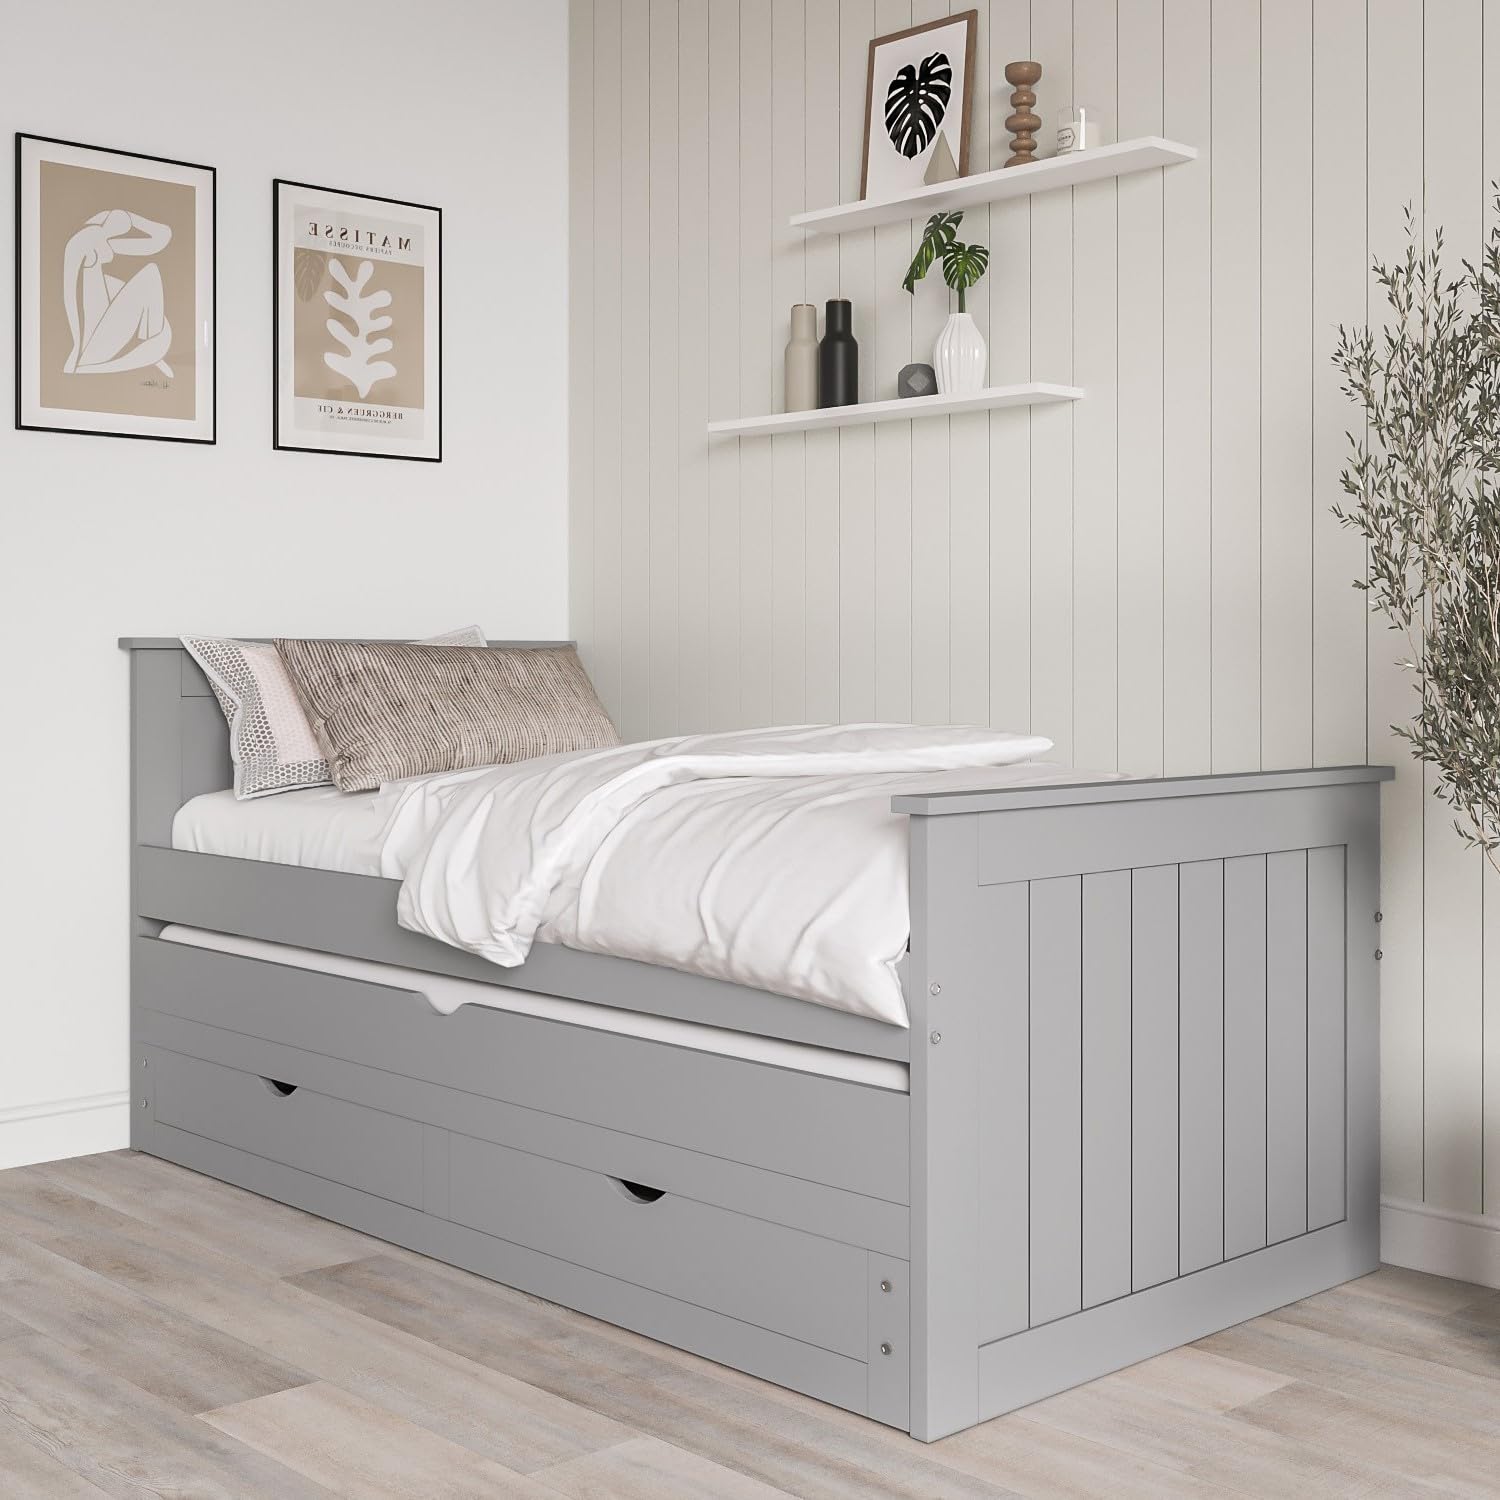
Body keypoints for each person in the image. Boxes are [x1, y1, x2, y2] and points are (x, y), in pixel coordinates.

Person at [61, 208, 174, 378]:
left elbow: (161, 238)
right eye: (123, 226)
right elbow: (69, 292)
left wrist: (133, 218)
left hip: (104, 323)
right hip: (96, 339)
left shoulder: (100, 238)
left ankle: (150, 349)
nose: (123, 232)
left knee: (150, 275)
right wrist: (76, 346)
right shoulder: (87, 240)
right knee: (150, 274)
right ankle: (151, 349)